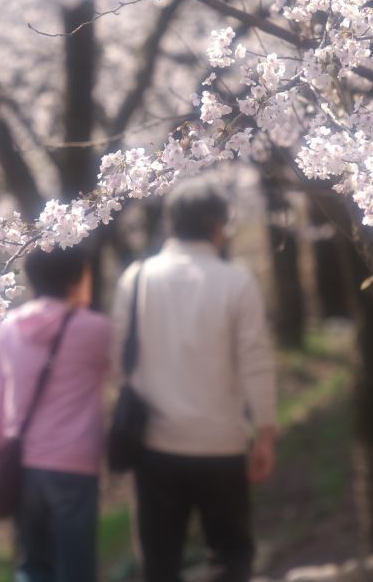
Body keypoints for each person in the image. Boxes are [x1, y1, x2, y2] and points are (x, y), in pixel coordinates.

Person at [113, 179, 277, 582]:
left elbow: (119, 359)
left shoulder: (136, 279)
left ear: (170, 223)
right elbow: (255, 361)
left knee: (160, 562)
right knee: (231, 557)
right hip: (221, 442)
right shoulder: (237, 282)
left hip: (155, 444)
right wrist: (266, 431)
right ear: (219, 225)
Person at [0, 244, 112, 582]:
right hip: (75, 467)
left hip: (26, 468)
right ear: (76, 278)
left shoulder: (9, 328)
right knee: (76, 569)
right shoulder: (97, 330)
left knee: (34, 566)